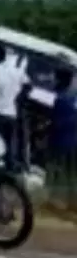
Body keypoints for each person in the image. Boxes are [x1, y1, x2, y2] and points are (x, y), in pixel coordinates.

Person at [0, 44, 29, 168]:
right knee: (9, 149)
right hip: (11, 115)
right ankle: (9, 171)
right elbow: (28, 85)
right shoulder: (16, 71)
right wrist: (18, 98)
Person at [48, 66, 76, 212]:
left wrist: (45, 130)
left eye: (55, 76)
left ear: (60, 79)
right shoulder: (74, 97)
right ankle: (73, 202)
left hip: (59, 139)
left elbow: (56, 122)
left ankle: (52, 200)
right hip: (74, 139)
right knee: (71, 172)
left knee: (55, 168)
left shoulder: (60, 98)